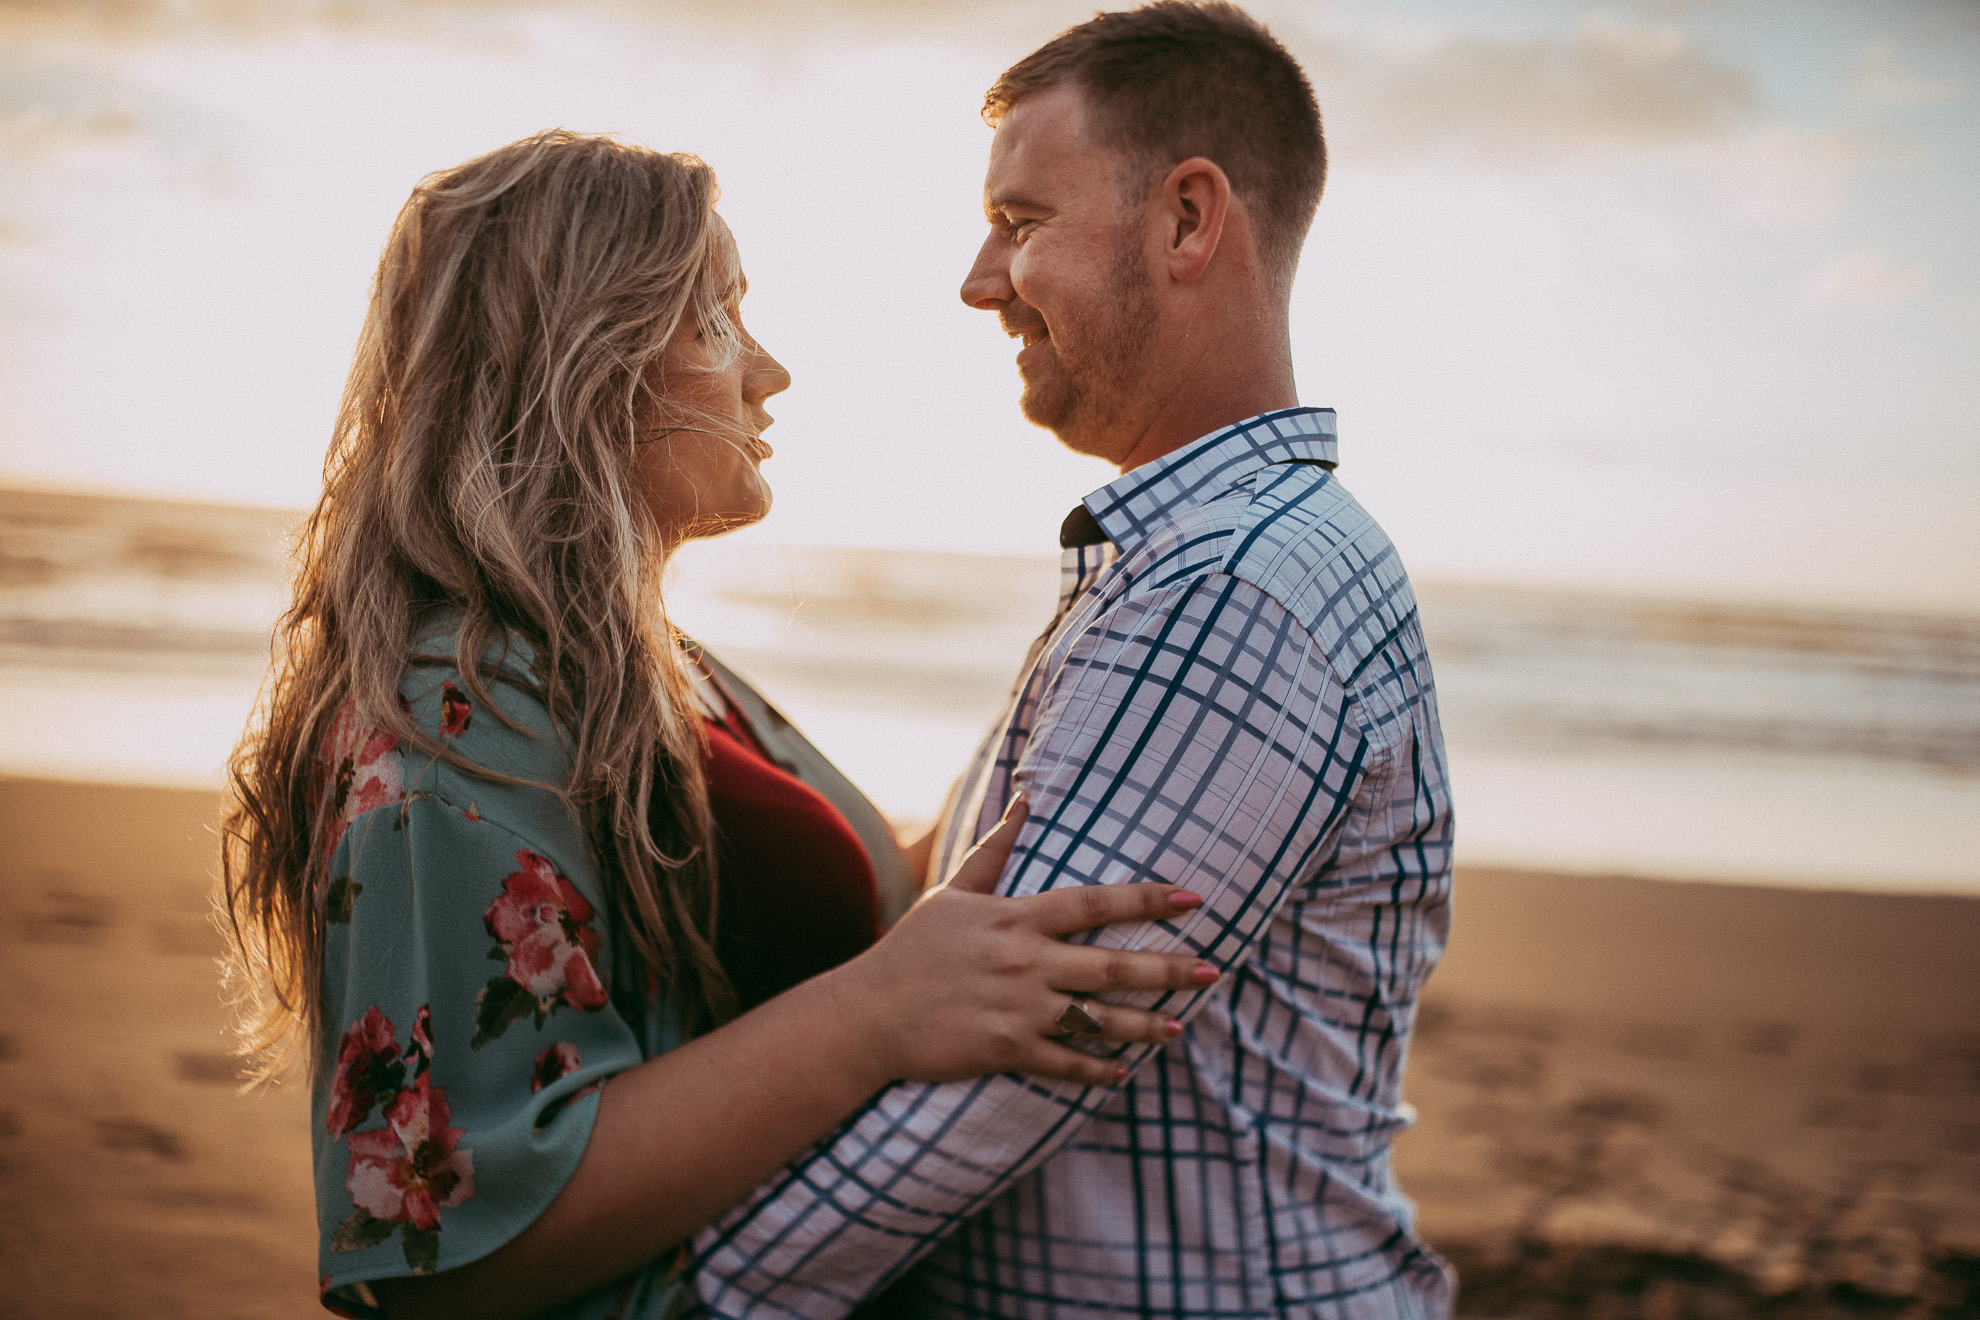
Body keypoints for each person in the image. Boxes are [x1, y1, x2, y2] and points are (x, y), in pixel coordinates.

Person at [217, 130, 1226, 1320]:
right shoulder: (456, 712)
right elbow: (445, 1253)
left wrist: (1086, 691)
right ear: (579, 357)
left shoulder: (640, 669)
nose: (769, 372)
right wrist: (876, 1015)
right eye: (718, 318)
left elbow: (804, 922)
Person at [690, 5, 1456, 1317]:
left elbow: (987, 1084)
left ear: (1186, 221)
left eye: (1023, 220)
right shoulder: (1189, 560)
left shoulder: (1227, 590)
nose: (981, 280)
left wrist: (673, 1299)